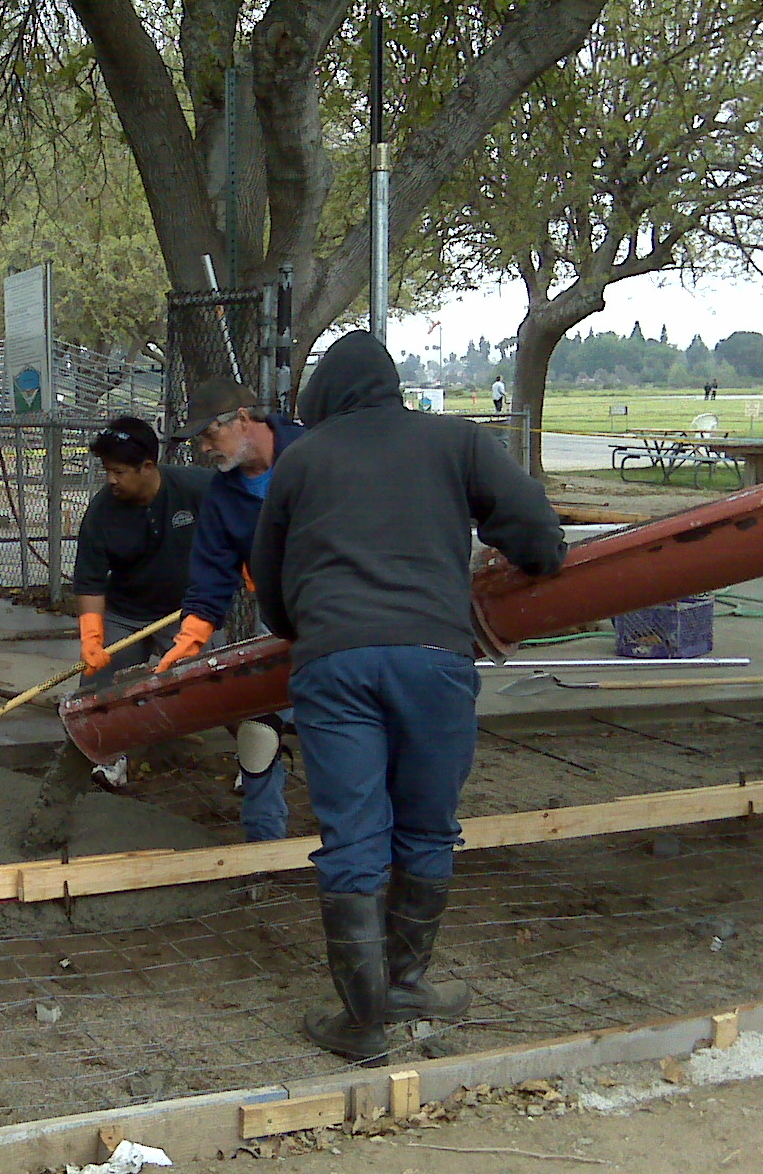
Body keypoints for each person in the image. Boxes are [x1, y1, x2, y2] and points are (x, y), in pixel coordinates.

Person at [249, 330, 565, 1065]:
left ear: (325, 396)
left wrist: (313, 628)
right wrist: (532, 557)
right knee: (426, 826)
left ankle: (363, 1023)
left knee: (353, 836)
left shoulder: (302, 460)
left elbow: (269, 579)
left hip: (335, 666)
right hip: (434, 659)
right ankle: (407, 984)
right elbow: (537, 533)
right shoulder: (458, 441)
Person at [153, 378, 306, 843]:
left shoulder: (314, 453)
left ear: (242, 419)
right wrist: (190, 640)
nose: (203, 448)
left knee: (345, 723)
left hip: (347, 614)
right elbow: (212, 575)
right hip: (282, 619)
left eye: (208, 434)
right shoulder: (224, 495)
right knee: (258, 730)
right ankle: (264, 842)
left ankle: (372, 838)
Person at [71, 417, 212, 790]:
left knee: (215, 681)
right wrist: (92, 637)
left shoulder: (196, 488)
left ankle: (255, 760)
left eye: (118, 471)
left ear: (147, 467)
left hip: (185, 613)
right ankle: (111, 763)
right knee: (96, 693)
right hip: (125, 614)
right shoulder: (102, 512)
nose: (111, 480)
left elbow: (241, 517)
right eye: (107, 471)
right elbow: (89, 581)